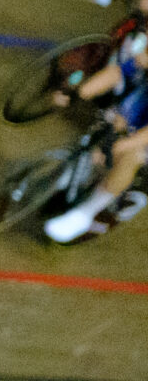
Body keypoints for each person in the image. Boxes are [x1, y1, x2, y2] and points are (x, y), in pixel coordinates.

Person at [42, 25, 148, 242]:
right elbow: (116, 73)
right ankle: (76, 177)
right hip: (136, 114)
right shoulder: (142, 60)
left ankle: (85, 215)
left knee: (130, 156)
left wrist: (122, 145)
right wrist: (76, 94)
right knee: (105, 132)